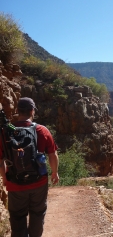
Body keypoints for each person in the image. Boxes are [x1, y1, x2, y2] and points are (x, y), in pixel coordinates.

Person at [0, 97, 59, 237]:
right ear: (32, 111)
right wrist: (54, 173)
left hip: (15, 183)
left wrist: (4, 179)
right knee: (38, 214)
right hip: (39, 182)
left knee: (17, 217)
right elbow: (52, 154)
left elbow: (1, 160)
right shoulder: (42, 130)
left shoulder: (6, 133)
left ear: (17, 111)